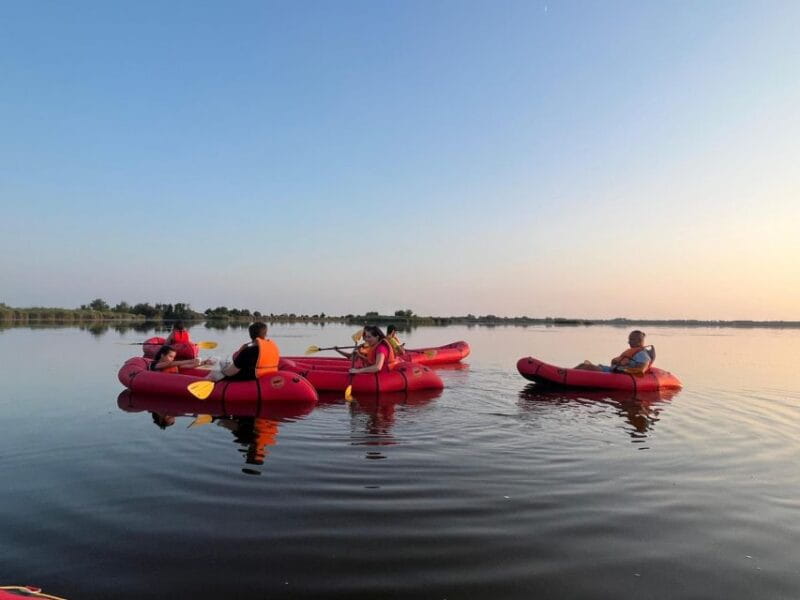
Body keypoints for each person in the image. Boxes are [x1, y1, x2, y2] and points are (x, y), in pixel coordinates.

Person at [212, 321, 280, 381]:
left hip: (249, 378)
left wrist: (222, 372)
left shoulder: (248, 351)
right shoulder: (273, 347)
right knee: (225, 364)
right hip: (266, 376)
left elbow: (230, 372)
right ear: (265, 334)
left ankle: (205, 379)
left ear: (250, 335)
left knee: (217, 370)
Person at [574, 330, 652, 374]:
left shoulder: (643, 356)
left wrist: (623, 369)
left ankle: (567, 377)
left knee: (586, 367)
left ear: (639, 341)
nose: (629, 342)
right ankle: (568, 375)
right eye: (629, 339)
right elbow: (615, 363)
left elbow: (640, 371)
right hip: (612, 370)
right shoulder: (633, 352)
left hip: (615, 373)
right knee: (582, 365)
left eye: (631, 340)